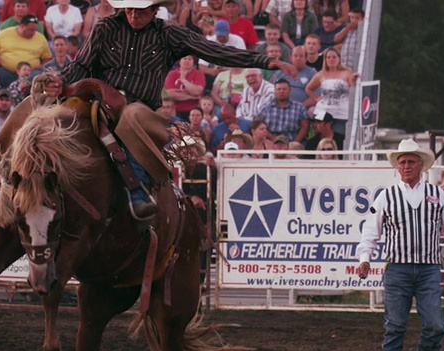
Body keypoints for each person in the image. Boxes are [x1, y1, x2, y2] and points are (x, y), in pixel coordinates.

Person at [40, 0, 295, 220]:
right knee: (42, 111)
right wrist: (59, 81)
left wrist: (264, 61)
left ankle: (137, 188)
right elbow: (82, 65)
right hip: (98, 100)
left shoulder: (169, 34)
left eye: (140, 10)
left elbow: (214, 51)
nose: (133, 15)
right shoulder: (105, 27)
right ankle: (12, 171)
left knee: (131, 117)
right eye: (129, 9)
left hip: (140, 109)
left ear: (155, 10)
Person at [356, 139, 444, 351]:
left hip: (428, 269)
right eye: (402, 162)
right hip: (397, 269)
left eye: (411, 162)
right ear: (397, 166)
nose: (406, 166)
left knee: (435, 325)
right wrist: (365, 258)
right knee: (395, 326)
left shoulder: (436, 194)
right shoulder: (386, 196)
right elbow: (371, 231)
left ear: (421, 165)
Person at [0, 14, 52, 87]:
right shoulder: (4, 34)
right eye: (31, 30)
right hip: (6, 71)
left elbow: (47, 57)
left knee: (45, 76)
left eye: (35, 29)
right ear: (22, 26)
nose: (33, 32)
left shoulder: (40, 38)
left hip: (30, 74)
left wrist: (42, 65)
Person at [305, 46, 359, 135]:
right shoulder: (321, 74)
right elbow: (309, 88)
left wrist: (353, 80)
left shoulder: (347, 72)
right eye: (328, 57)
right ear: (325, 60)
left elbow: (353, 89)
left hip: (341, 113)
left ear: (339, 59)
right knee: (321, 136)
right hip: (323, 111)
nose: (331, 59)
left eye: (334, 57)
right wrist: (316, 98)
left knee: (339, 136)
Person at [257, 78, 309, 143]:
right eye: (279, 89)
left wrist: (294, 143)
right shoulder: (265, 107)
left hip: (293, 142)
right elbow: (257, 124)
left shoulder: (300, 107)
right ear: (275, 91)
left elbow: (305, 127)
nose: (281, 91)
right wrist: (274, 139)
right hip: (270, 142)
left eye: (284, 89)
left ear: (290, 90)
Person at [164, 55, 206, 121]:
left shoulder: (199, 74)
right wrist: (192, 96)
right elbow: (170, 94)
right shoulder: (172, 74)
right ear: (179, 61)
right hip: (176, 110)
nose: (187, 61)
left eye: (190, 59)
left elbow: (197, 91)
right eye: (184, 58)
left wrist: (183, 79)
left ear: (193, 62)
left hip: (193, 111)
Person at [333, 7, 363, 71]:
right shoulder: (347, 29)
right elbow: (336, 39)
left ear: (362, 19)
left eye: (357, 18)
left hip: (356, 64)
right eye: (352, 17)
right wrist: (347, 28)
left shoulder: (362, 31)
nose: (354, 20)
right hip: (344, 63)